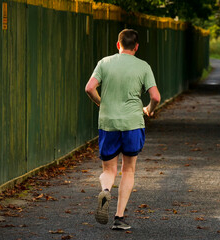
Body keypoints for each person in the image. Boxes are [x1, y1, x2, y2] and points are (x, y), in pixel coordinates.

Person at [85, 29, 161, 230]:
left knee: (109, 170)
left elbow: (89, 88)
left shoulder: (104, 63)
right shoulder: (143, 66)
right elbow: (156, 97)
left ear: (118, 45)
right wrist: (149, 110)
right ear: (136, 47)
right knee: (128, 169)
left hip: (108, 123)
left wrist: (100, 103)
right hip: (132, 123)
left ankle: (106, 189)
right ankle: (119, 218)